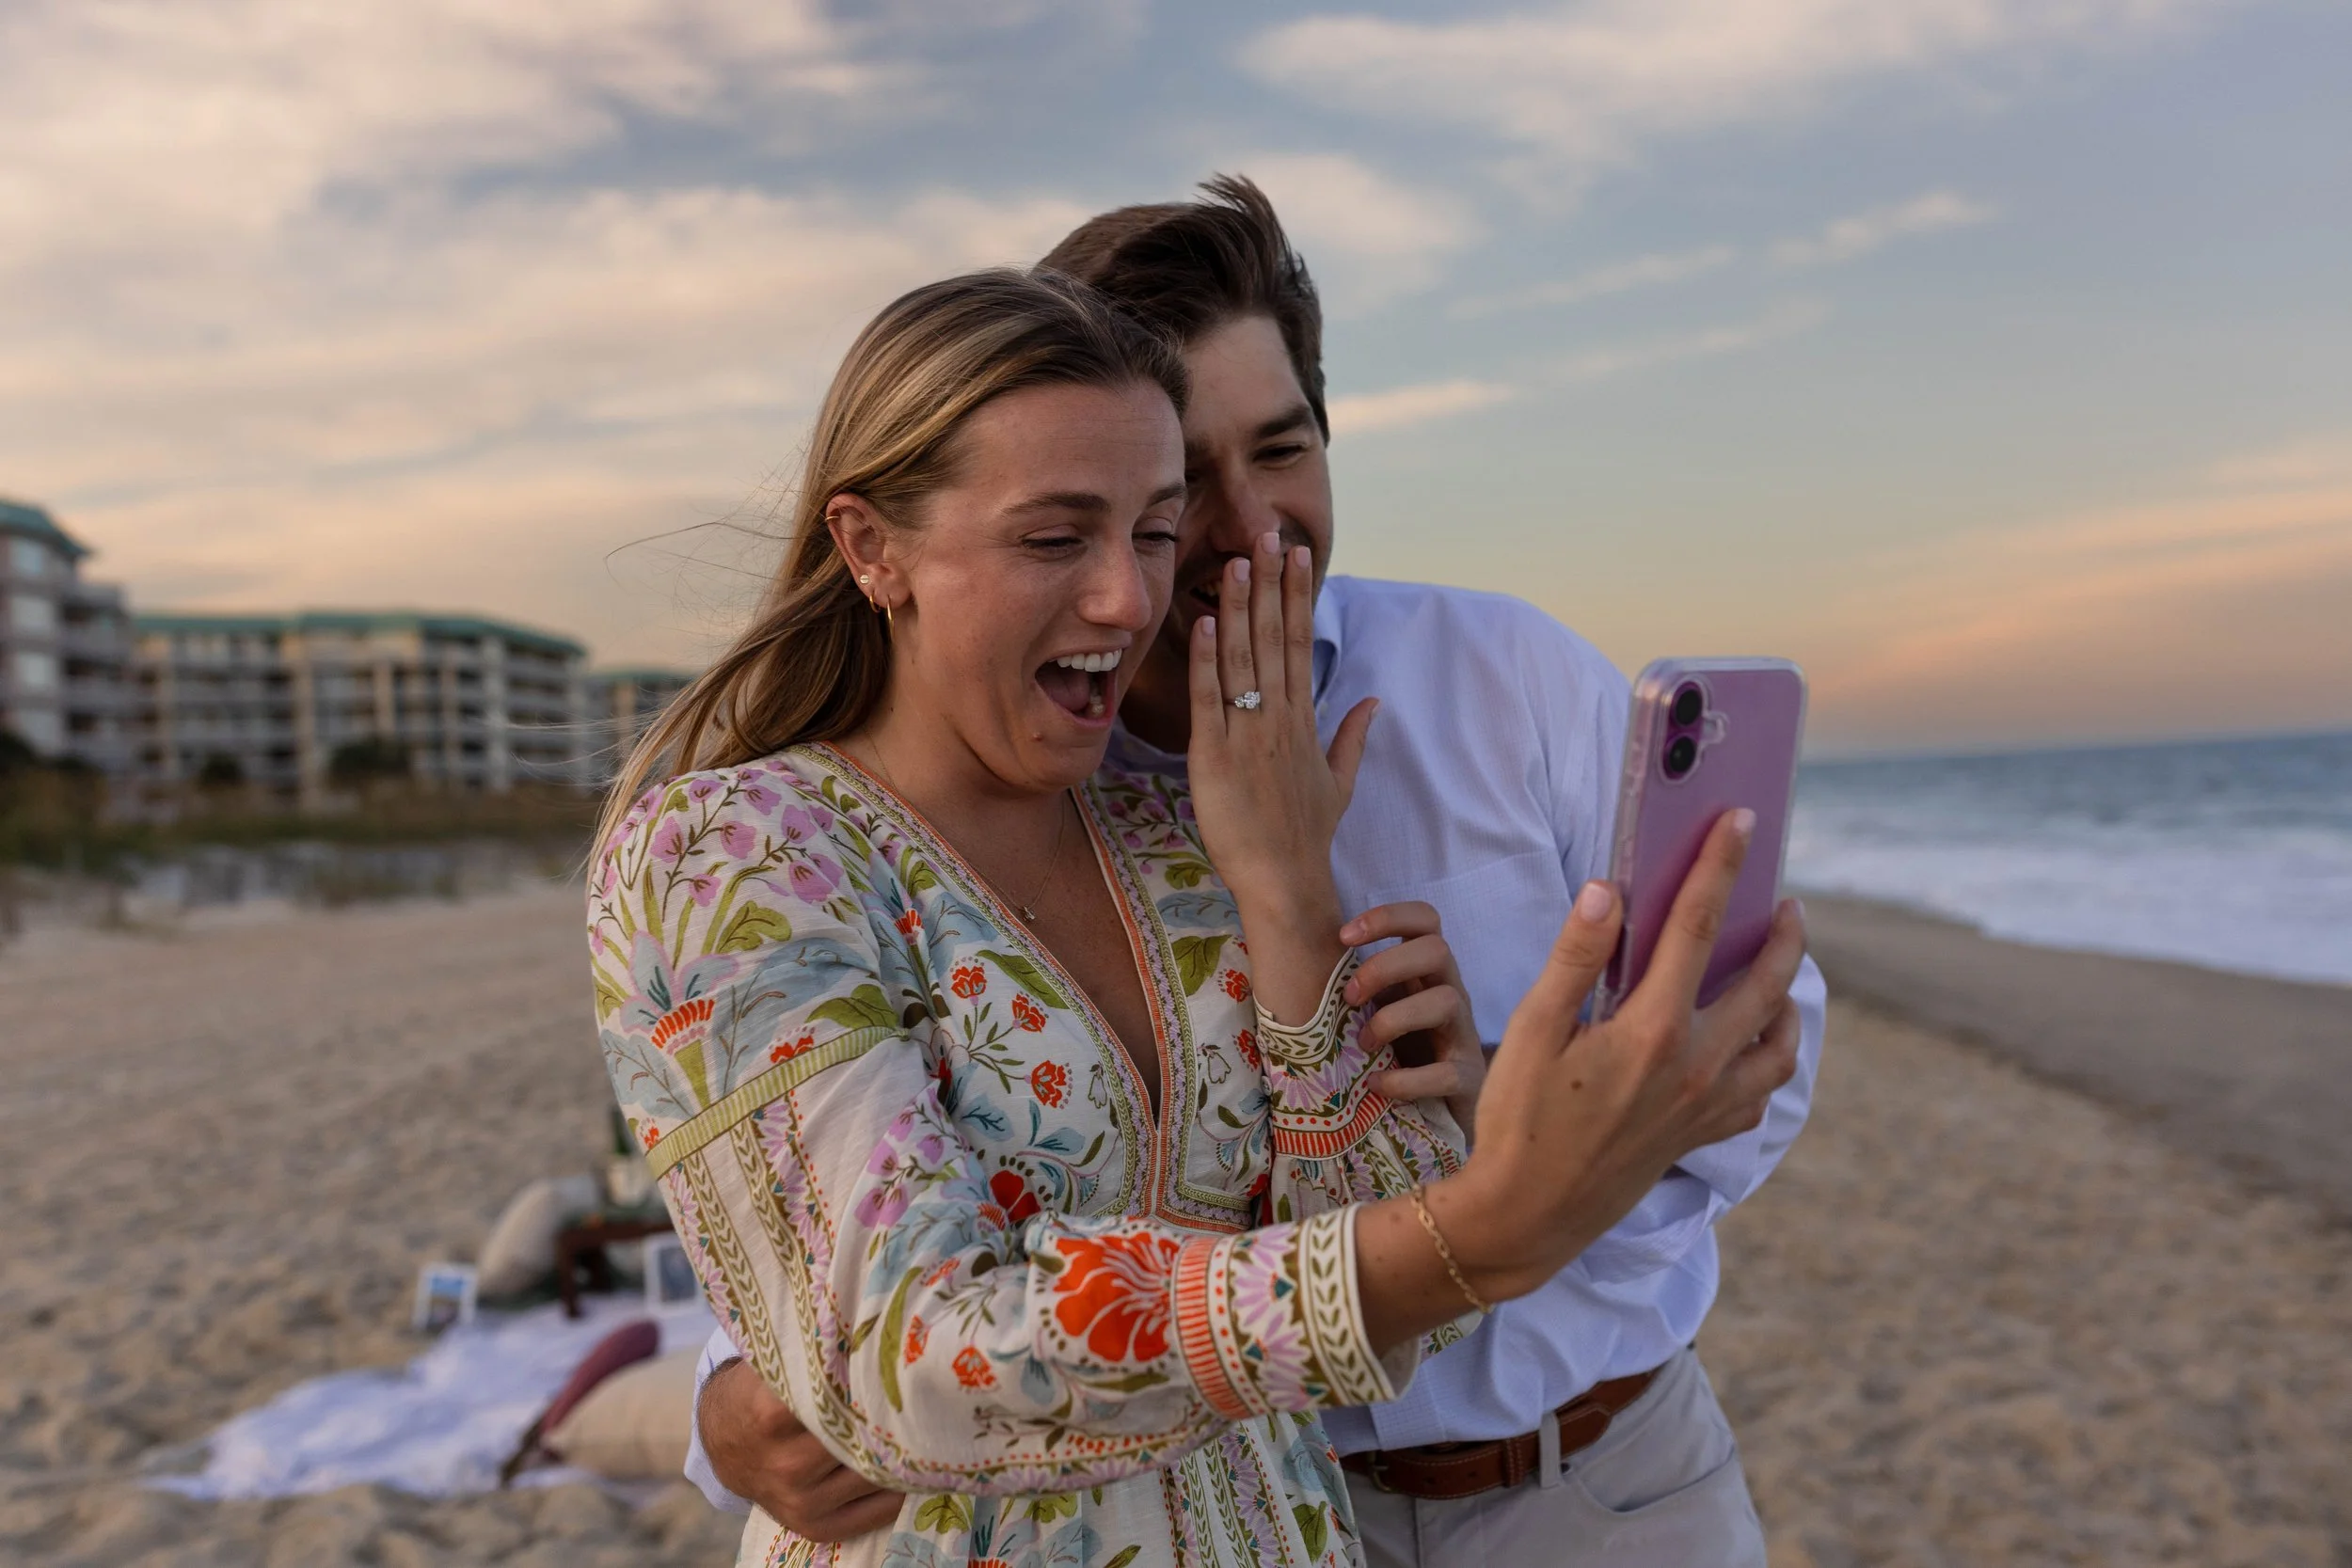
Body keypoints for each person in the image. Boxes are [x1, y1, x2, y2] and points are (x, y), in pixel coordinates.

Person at [688, 183, 1830, 1566]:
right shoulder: (1014, 786)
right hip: (1253, 1506)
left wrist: (1524, 1169)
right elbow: (851, 1159)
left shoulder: (1507, 679)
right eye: (1175, 489)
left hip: (1592, 1479)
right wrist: (728, 1394)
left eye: (1282, 449)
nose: (1246, 528)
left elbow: (1761, 1055)